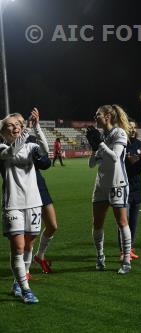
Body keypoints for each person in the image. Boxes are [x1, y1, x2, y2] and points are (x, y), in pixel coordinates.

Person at [1, 108, 48, 303]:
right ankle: (27, 290)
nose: (15, 128)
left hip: (34, 203)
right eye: (10, 125)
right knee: (18, 247)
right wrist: (27, 130)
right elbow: (13, 151)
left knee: (28, 245)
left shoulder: (29, 147)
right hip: (13, 204)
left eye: (17, 125)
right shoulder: (1, 148)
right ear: (3, 131)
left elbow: (45, 151)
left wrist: (36, 127)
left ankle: (17, 282)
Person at [86, 104, 133, 274]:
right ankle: (100, 257)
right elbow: (91, 164)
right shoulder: (102, 136)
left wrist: (100, 144)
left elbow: (115, 157)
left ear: (107, 116)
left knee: (121, 222)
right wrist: (94, 148)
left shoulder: (119, 133)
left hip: (117, 183)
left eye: (97, 114)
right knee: (97, 223)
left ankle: (126, 260)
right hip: (101, 184)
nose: (95, 117)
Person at [11, 113, 58, 274]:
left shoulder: (30, 141)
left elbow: (45, 163)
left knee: (52, 226)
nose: (19, 126)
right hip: (21, 191)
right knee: (29, 235)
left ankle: (40, 255)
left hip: (39, 186)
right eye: (16, 123)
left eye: (21, 123)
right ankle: (25, 271)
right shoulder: (8, 145)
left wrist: (36, 128)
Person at [119, 121, 141, 260]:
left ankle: (130, 249)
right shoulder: (121, 144)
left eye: (134, 127)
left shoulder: (139, 143)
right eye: (129, 126)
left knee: (133, 222)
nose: (132, 129)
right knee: (123, 221)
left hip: (137, 187)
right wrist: (128, 161)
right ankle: (123, 251)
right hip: (124, 186)